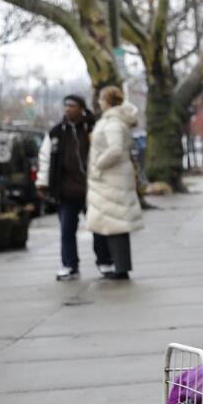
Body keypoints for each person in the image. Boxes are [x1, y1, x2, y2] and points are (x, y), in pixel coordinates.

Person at [36, 94, 111, 281]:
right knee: (67, 230)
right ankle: (69, 264)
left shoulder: (93, 128)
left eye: (72, 105)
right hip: (66, 191)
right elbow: (45, 159)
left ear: (82, 108)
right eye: (66, 105)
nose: (68, 109)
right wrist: (43, 183)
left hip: (91, 189)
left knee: (98, 228)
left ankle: (105, 261)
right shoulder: (56, 133)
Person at [86, 85, 143, 280]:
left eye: (101, 99)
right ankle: (118, 265)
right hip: (112, 178)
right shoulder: (113, 120)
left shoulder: (113, 122)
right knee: (112, 222)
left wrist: (98, 165)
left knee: (115, 223)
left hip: (111, 179)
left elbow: (115, 149)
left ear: (108, 101)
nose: (99, 102)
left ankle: (119, 266)